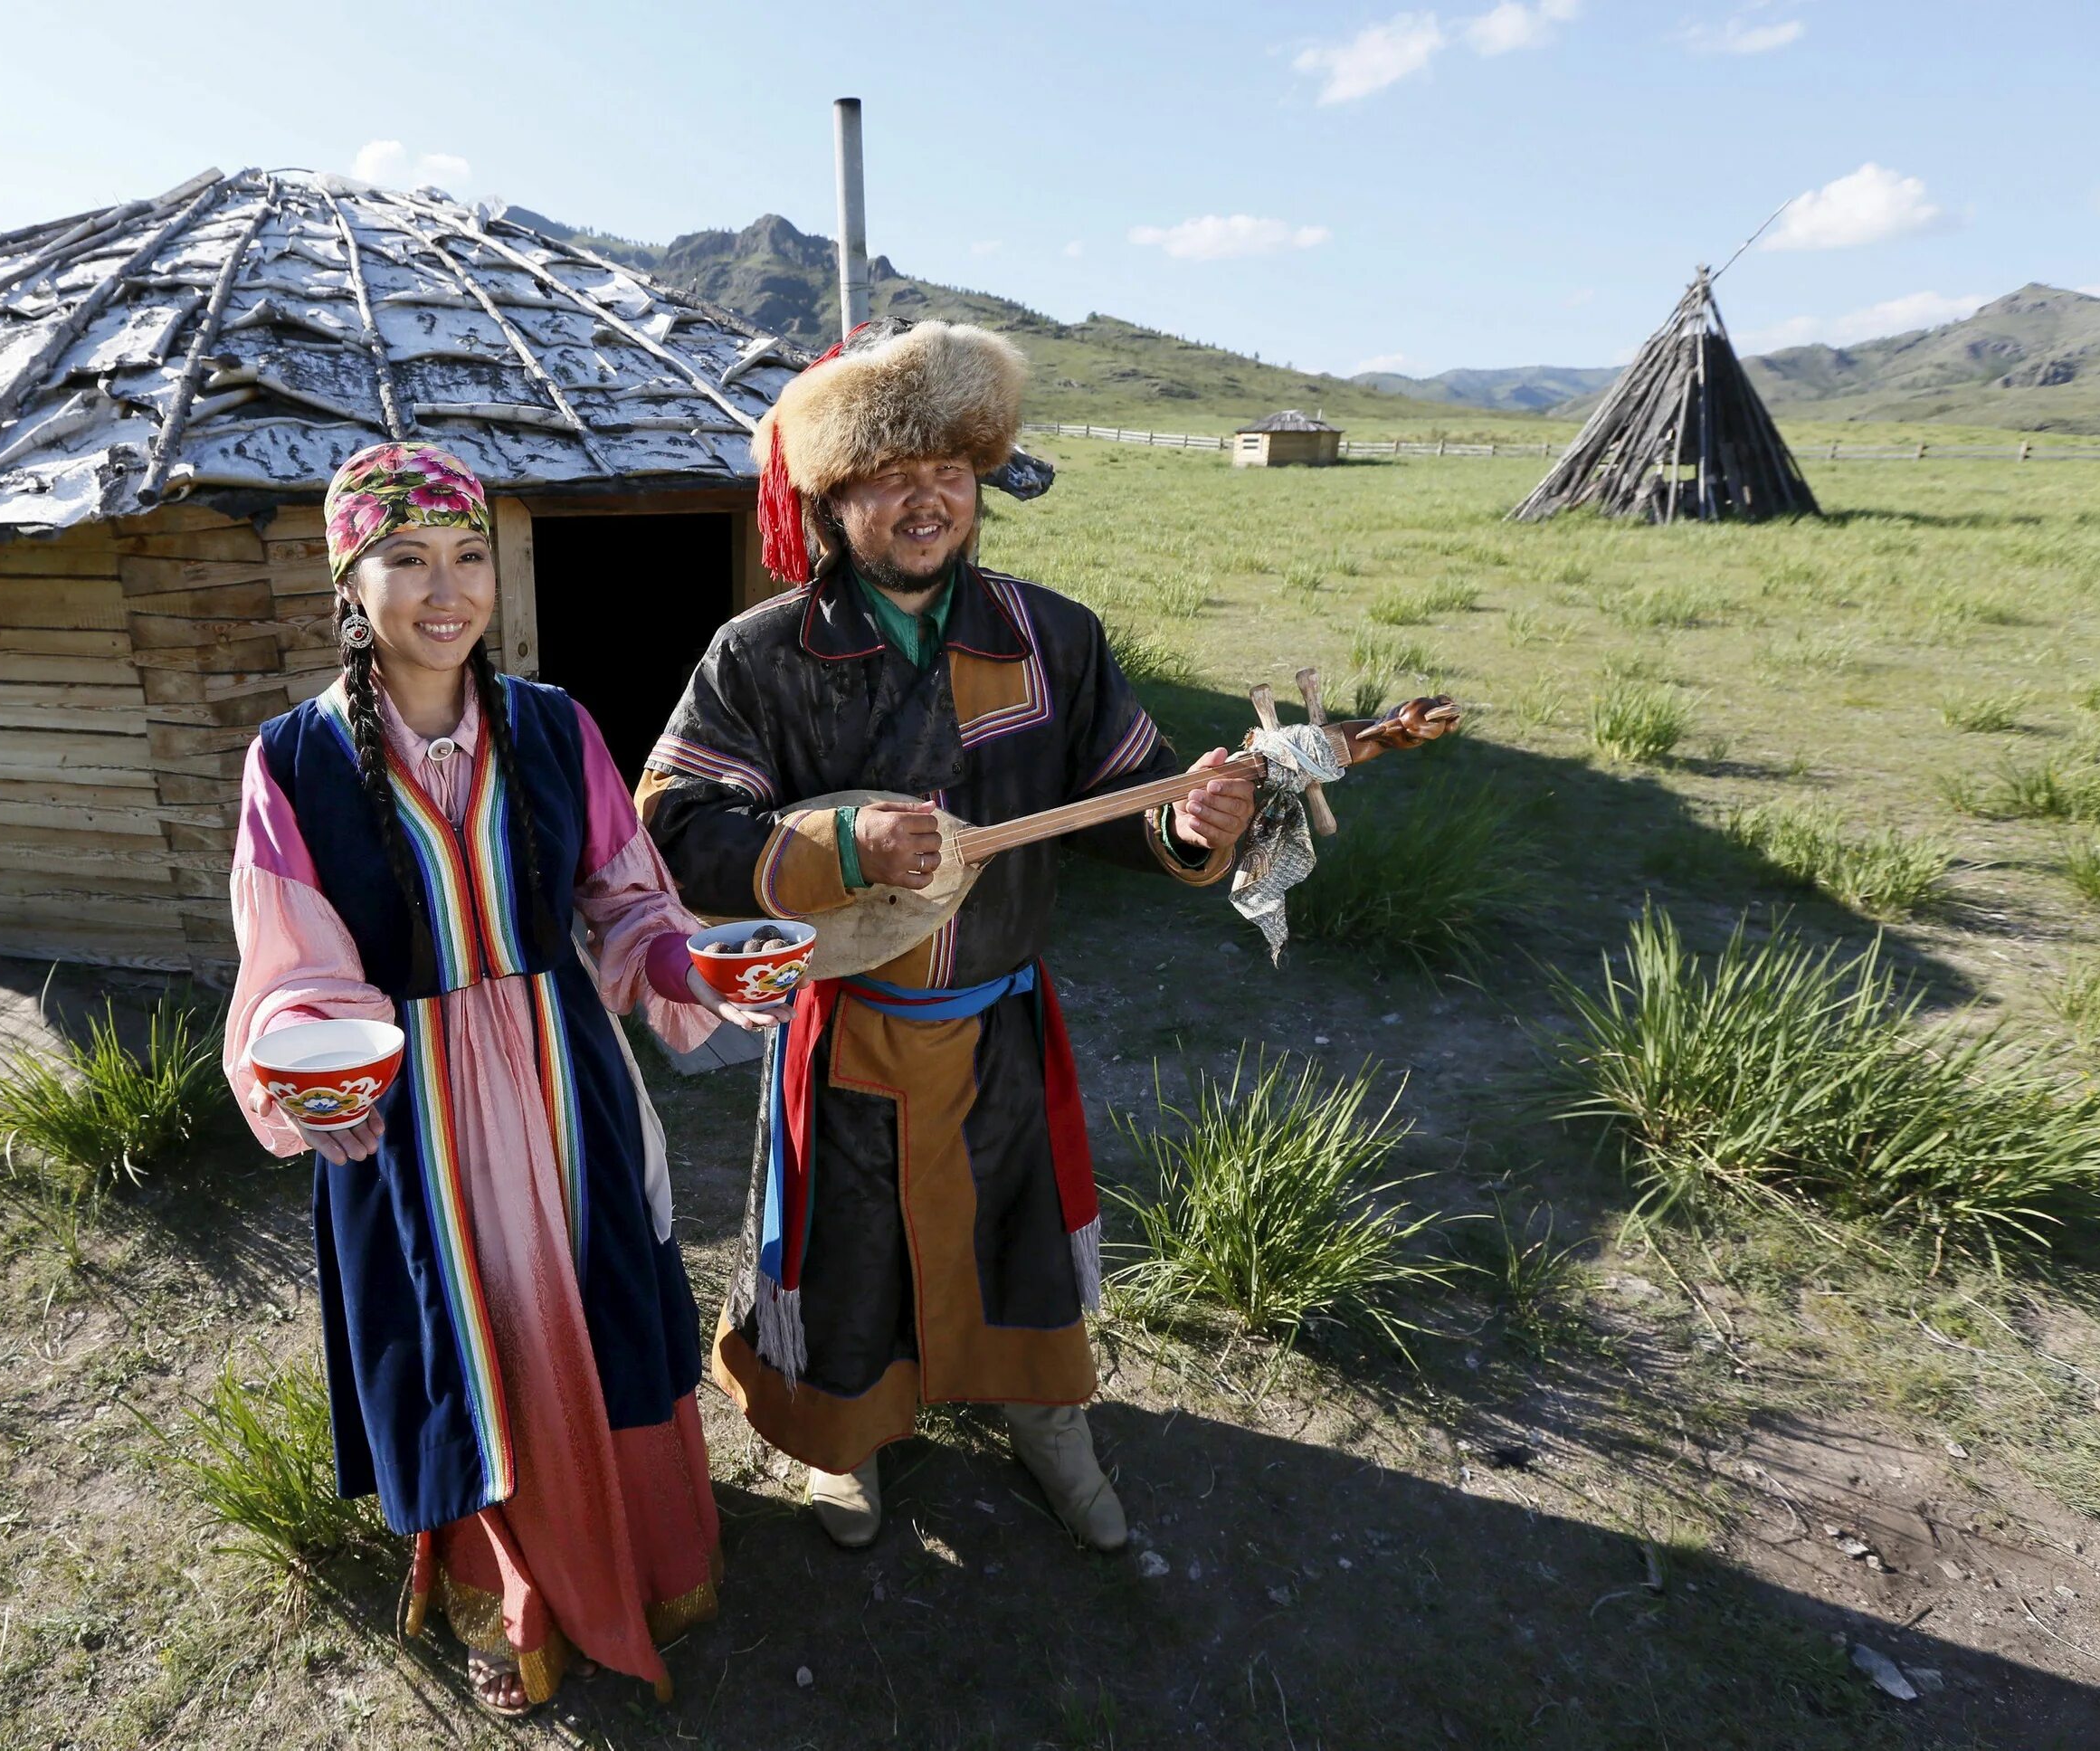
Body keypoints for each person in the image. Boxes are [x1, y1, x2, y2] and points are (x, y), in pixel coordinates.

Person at [638, 318, 1436, 1555]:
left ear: (982, 481)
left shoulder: (1050, 637)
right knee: (847, 1255)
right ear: (834, 500)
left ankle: (1048, 1418)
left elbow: (1135, 796)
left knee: (1020, 1228)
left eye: (949, 470)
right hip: (851, 1030)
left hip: (1003, 1019)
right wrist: (843, 854)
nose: (927, 499)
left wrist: (1192, 818)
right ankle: (843, 1446)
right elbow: (677, 824)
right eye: (892, 475)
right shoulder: (763, 656)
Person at [222, 443, 784, 1715]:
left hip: (561, 1081)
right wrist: (324, 1066)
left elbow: (628, 908)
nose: (446, 589)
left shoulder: (554, 727)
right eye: (406, 559)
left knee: (597, 1304)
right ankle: (513, 1600)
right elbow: (295, 965)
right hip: (410, 1108)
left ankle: (646, 1556)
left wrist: (703, 968)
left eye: (469, 556)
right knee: (457, 1337)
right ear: (349, 584)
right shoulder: (295, 762)